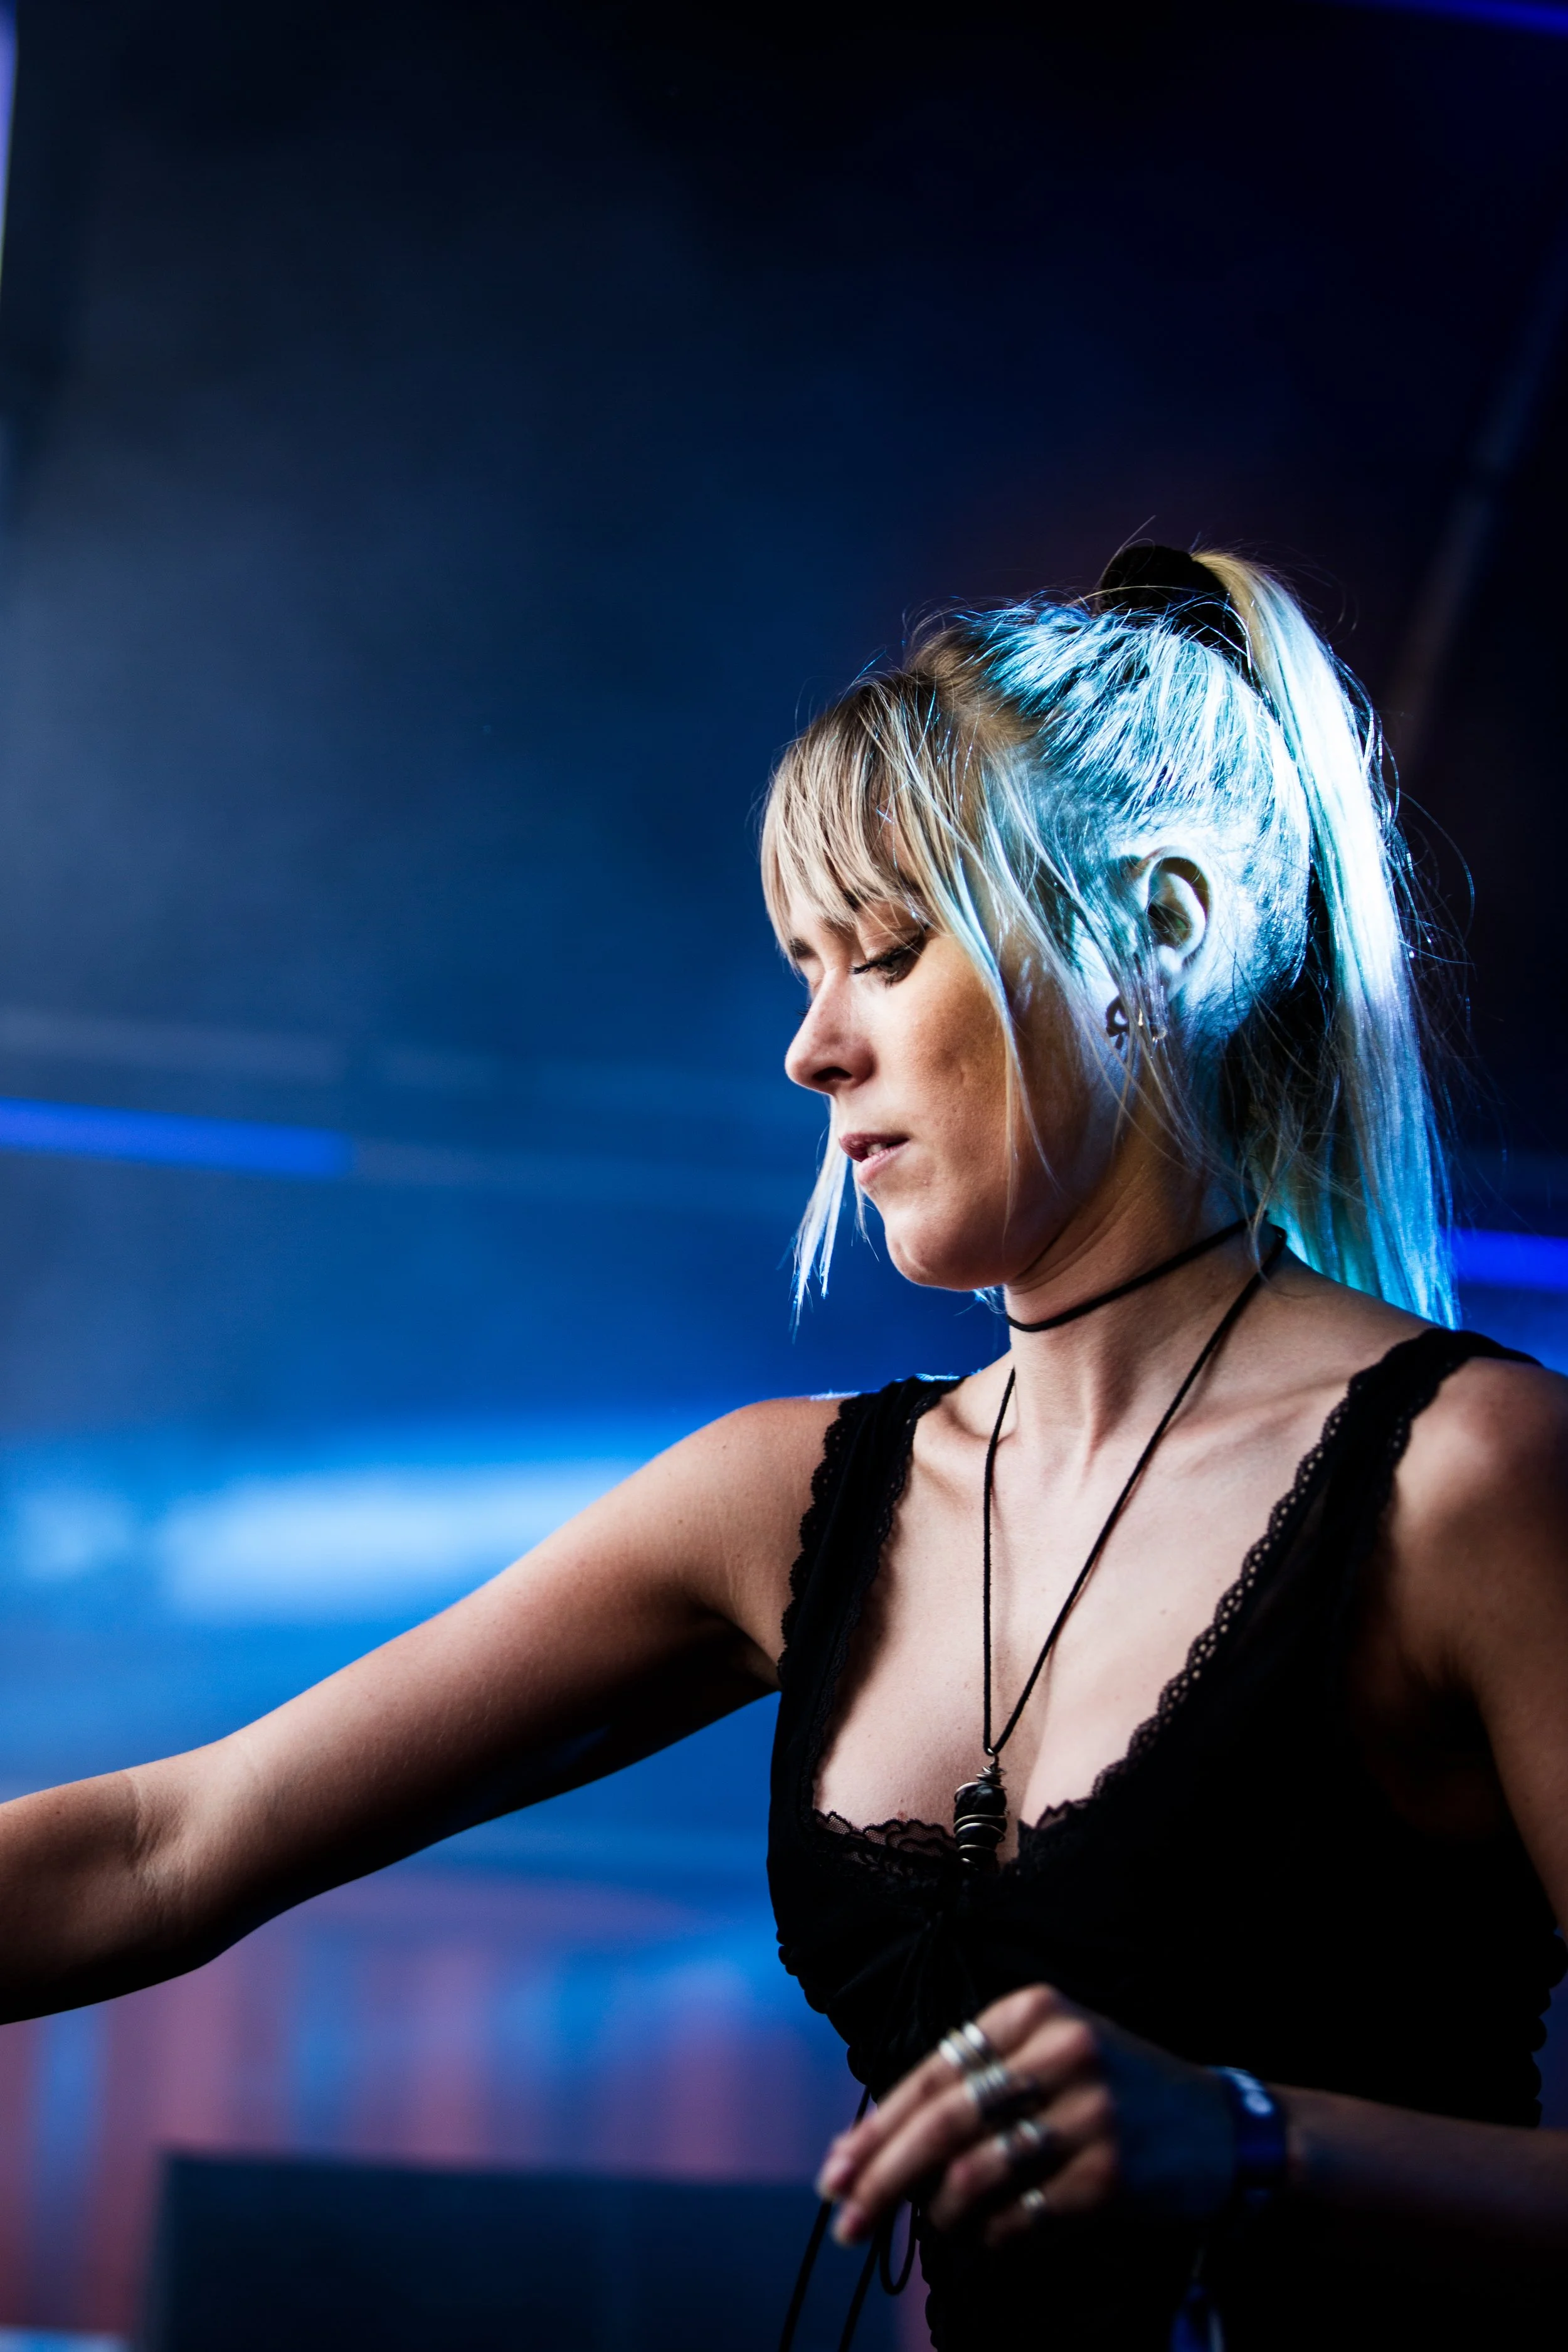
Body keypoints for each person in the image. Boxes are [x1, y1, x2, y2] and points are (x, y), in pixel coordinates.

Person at [0, 545, 1564, 2352]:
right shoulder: (783, 1504)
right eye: (805, 968)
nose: (815, 1049)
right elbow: (163, 1845)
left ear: (1163, 924)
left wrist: (1254, 2143)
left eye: (888, 952)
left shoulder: (1470, 1481)